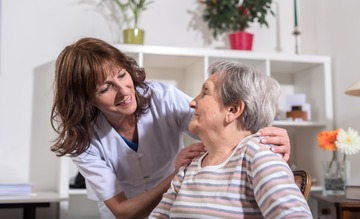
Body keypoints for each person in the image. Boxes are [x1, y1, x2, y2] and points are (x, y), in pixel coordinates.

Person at [50, 37, 292, 219]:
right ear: (86, 100)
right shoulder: (83, 140)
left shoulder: (162, 98)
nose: (124, 91)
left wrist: (267, 135)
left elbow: (221, 124)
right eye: (105, 89)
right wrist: (178, 174)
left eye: (122, 75)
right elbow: (123, 211)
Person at [150, 61, 312, 218]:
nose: (192, 102)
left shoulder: (257, 155)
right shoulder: (191, 164)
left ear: (233, 109)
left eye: (205, 92)